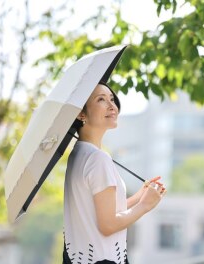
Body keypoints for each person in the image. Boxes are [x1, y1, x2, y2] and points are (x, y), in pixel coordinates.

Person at [63, 81, 166, 264]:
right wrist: (145, 206)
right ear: (81, 113)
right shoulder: (97, 159)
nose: (112, 106)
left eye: (112, 99)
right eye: (101, 100)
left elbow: (102, 212)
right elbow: (108, 224)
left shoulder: (78, 154)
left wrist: (139, 197)